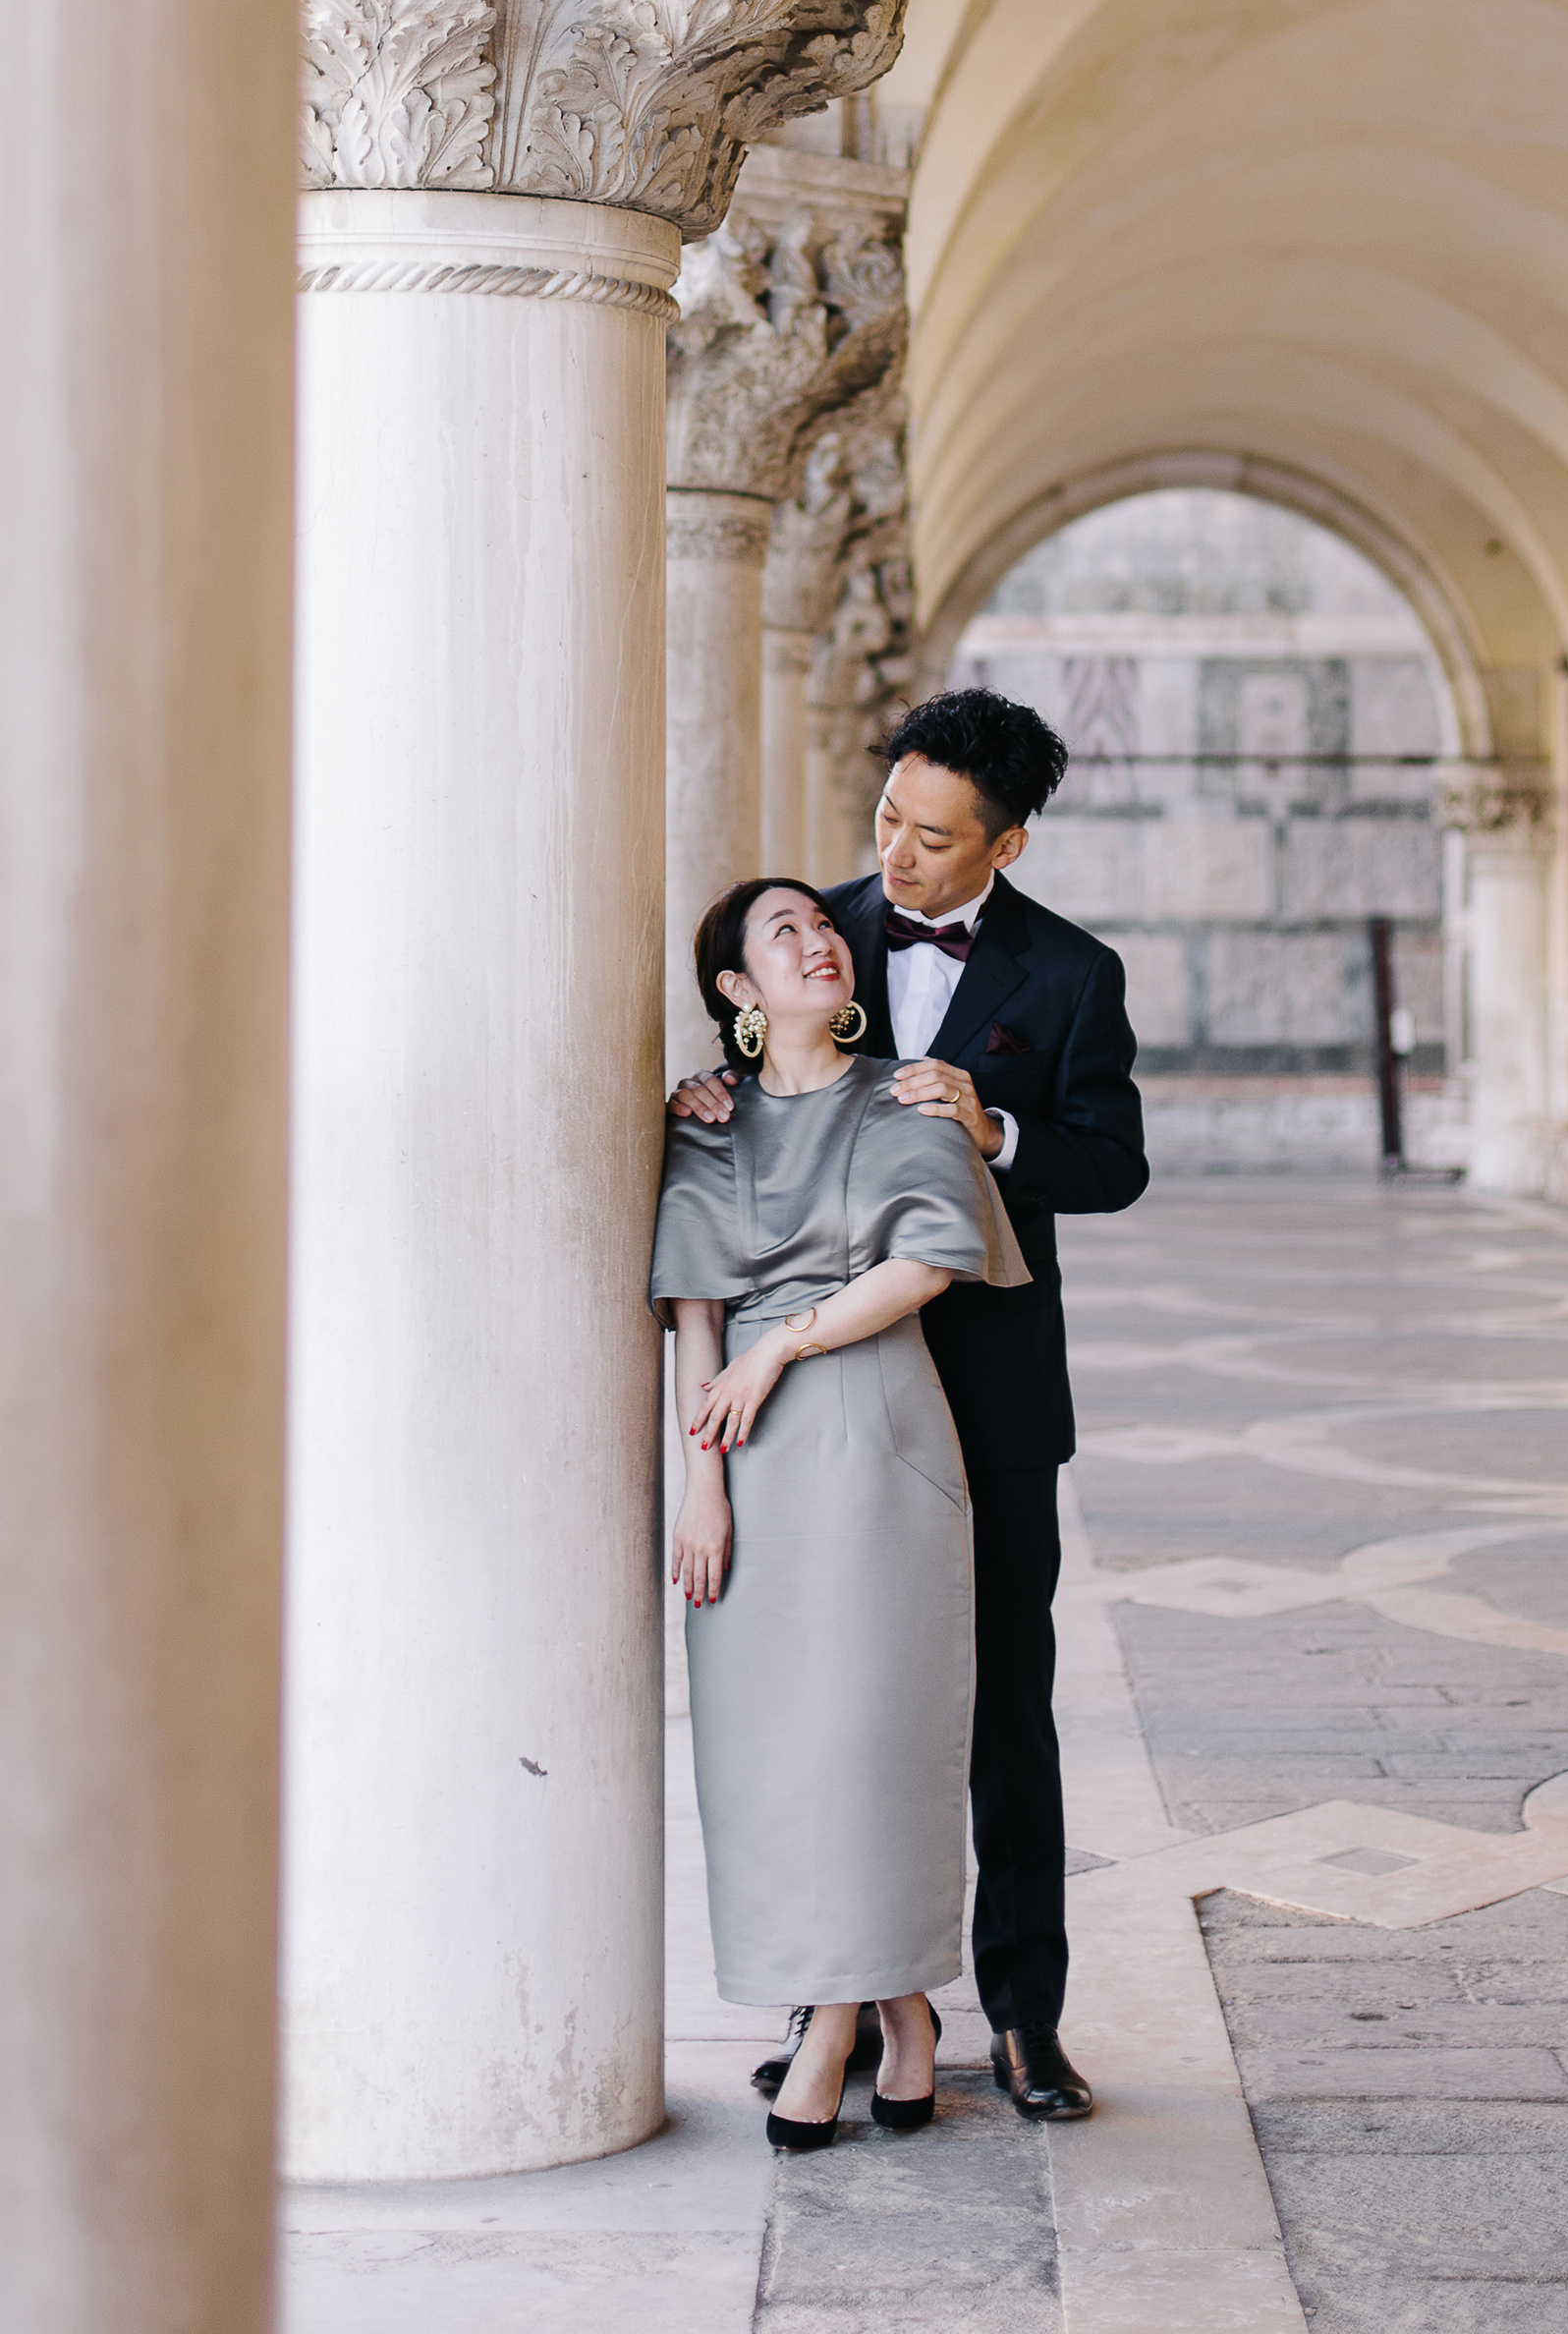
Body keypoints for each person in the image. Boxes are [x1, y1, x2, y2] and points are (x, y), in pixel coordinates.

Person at [672, 689, 1146, 2124]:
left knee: (1002, 1704)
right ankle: (850, 1995)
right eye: (889, 817)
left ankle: (1024, 2015)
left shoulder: (1072, 973)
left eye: (934, 839)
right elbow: (760, 1073)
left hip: (986, 1386)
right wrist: (704, 1090)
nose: (896, 855)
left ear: (1004, 844)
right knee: (831, 1700)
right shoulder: (814, 931)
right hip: (819, 1413)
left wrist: (992, 1130)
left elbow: (1113, 1163)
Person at [653, 874, 1032, 2151]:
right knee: (772, 1751)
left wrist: (783, 1345)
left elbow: (927, 1262)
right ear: (736, 988)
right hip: (747, 1455)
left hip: (876, 1433)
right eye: (786, 934)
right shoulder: (706, 1122)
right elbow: (695, 1313)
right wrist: (702, 1486)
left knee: (875, 1741)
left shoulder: (905, 1096)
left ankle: (831, 2027)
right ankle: (903, 2012)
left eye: (825, 924)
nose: (819, 942)